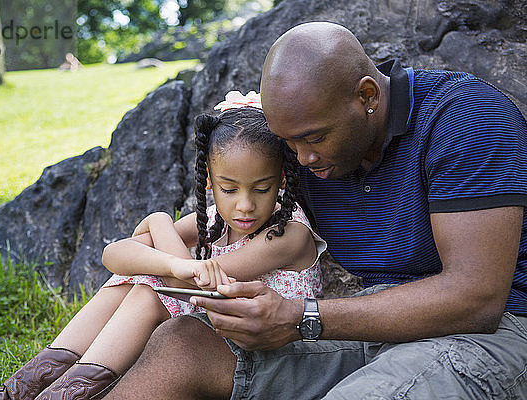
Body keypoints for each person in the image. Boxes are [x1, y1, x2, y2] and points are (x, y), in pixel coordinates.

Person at [100, 21, 527, 399]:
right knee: (184, 345)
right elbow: (200, 223)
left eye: (314, 138)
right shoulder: (312, 150)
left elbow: (477, 299)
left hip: (494, 332)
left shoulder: (468, 121)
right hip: (377, 318)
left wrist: (300, 317)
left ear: (367, 95)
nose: (301, 160)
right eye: (289, 142)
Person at [0, 93, 328, 400]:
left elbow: (198, 287)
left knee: (150, 291)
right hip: (210, 336)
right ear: (210, 181)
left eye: (261, 189)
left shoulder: (287, 234)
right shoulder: (215, 220)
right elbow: (115, 256)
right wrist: (170, 250)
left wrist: (161, 228)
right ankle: (13, 393)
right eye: (229, 189)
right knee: (137, 279)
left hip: (263, 356)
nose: (245, 205)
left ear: (281, 181)